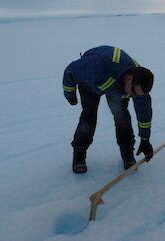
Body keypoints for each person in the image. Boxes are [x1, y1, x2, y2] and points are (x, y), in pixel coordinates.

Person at [62, 45, 154, 173]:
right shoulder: (96, 66)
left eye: (137, 95)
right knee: (89, 117)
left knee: (122, 117)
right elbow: (71, 71)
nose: (134, 97)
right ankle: (79, 154)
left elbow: (144, 112)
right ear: (129, 78)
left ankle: (127, 154)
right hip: (91, 82)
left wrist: (145, 139)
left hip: (115, 87)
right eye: (133, 93)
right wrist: (70, 93)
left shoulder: (139, 87)